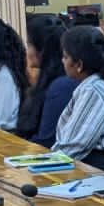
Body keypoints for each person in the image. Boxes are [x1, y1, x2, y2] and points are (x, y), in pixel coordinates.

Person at [52, 25, 104, 174]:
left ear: (79, 65)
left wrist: (44, 162)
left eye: (65, 57)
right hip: (86, 161)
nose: (62, 61)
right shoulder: (94, 85)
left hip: (96, 167)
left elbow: (75, 144)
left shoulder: (94, 90)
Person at [15, 14, 76, 147]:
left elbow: (47, 140)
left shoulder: (61, 87)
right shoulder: (48, 81)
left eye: (29, 45)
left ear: (42, 50)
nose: (27, 52)